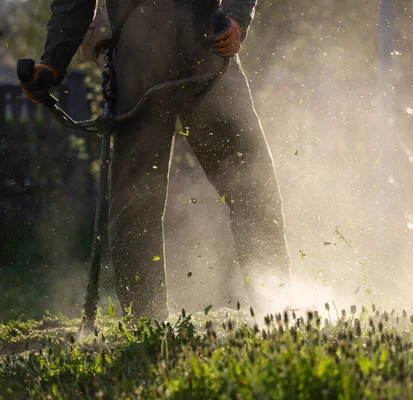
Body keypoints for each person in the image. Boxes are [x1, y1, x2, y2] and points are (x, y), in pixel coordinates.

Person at [19, 0, 291, 320]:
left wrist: (237, 18)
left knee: (251, 180)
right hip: (137, 51)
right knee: (136, 201)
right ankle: (148, 321)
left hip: (207, 41)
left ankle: (278, 305)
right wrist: (51, 62)